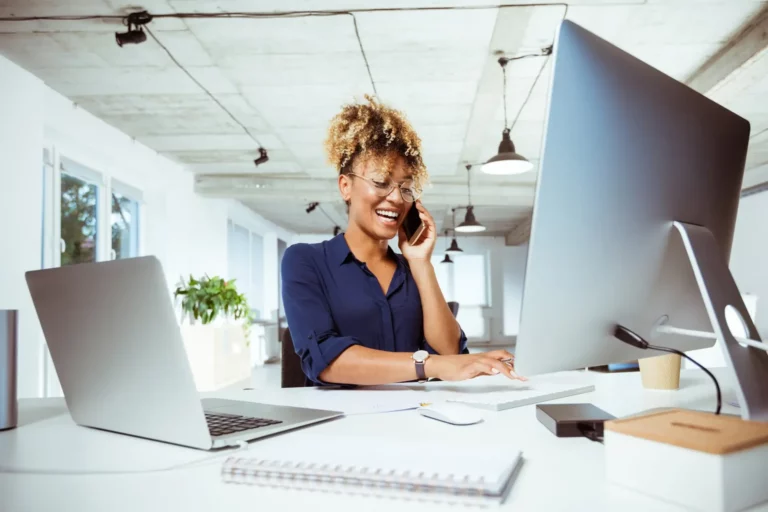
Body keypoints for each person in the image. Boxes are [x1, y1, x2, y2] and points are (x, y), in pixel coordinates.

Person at [281, 95, 525, 386]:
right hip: (341, 423)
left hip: (417, 419)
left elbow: (449, 353)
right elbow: (326, 361)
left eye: (406, 187)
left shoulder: (411, 271)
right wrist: (429, 365)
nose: (396, 198)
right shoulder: (306, 261)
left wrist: (421, 262)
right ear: (346, 186)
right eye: (381, 182)